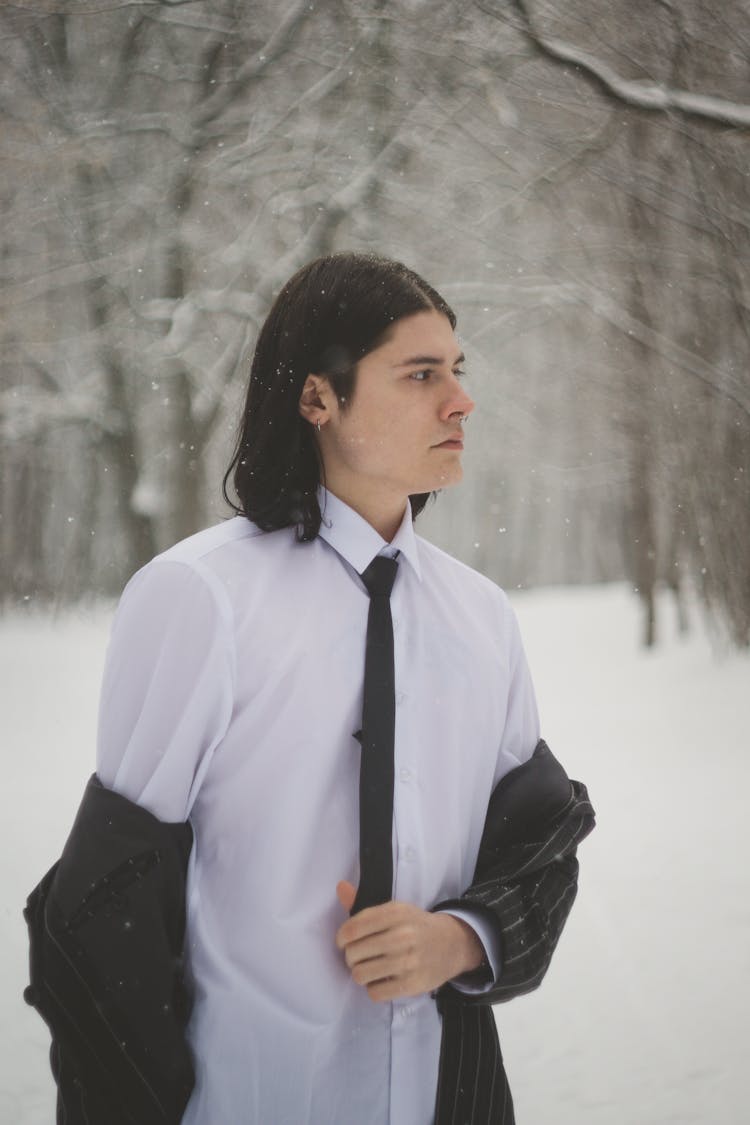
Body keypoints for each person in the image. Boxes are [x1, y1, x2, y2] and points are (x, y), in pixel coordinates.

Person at [24, 252, 594, 1125]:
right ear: (317, 398)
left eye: (459, 371)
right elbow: (104, 917)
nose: (461, 400)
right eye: (421, 373)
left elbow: (541, 849)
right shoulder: (198, 599)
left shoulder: (481, 617)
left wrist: (459, 937)